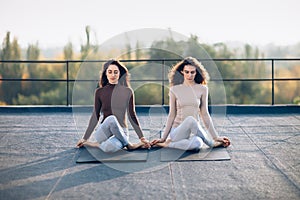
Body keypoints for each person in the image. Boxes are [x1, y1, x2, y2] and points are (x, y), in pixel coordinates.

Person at [151, 57, 230, 150]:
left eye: (192, 72)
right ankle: (211, 143)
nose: (190, 75)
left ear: (196, 72)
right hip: (177, 131)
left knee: (196, 145)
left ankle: (168, 145)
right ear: (182, 72)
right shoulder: (174, 89)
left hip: (194, 131)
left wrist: (215, 135)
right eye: (187, 72)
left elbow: (204, 114)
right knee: (191, 120)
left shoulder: (203, 89)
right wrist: (163, 138)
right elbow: (171, 114)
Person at [77, 59, 150, 152]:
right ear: (106, 74)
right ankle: (129, 145)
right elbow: (95, 115)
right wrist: (85, 138)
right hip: (104, 131)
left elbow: (132, 115)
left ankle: (96, 144)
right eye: (110, 72)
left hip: (122, 132)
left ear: (120, 74)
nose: (113, 75)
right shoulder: (99, 92)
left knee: (109, 148)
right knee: (111, 119)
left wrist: (142, 137)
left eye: (116, 72)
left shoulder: (128, 91)